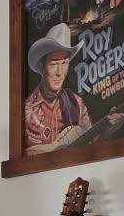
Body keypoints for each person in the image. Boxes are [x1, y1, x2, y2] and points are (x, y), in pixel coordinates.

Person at [23, 22, 91, 151]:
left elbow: (91, 142)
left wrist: (109, 127)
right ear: (42, 67)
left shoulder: (77, 103)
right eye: (54, 64)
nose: (59, 72)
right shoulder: (27, 111)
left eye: (64, 63)